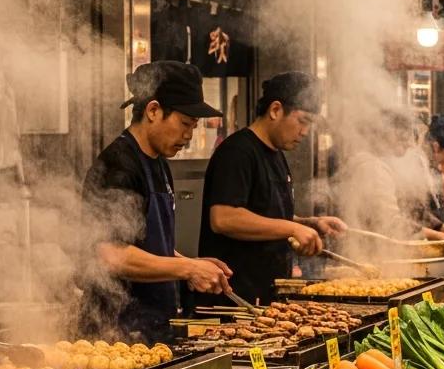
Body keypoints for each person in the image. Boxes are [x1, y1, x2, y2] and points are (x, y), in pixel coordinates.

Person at [79, 61, 232, 340]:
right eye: (185, 123)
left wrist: (192, 265)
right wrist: (188, 268)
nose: (189, 136)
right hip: (114, 333)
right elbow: (112, 255)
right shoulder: (118, 165)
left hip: (153, 327)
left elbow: (148, 245)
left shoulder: (158, 162)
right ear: (153, 110)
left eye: (194, 126)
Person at [198, 72, 345, 306]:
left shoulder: (275, 154)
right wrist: (292, 227)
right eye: (303, 121)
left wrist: (309, 223)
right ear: (275, 110)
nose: (305, 132)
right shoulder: (237, 153)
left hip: (268, 297)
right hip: (234, 300)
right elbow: (224, 218)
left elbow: (268, 214)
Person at [340, 110, 444, 242]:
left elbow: (412, 206)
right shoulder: (372, 168)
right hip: (370, 250)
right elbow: (389, 223)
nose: (410, 144)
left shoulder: (388, 163)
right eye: (405, 137)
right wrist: (433, 235)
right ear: (388, 135)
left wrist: (438, 226)